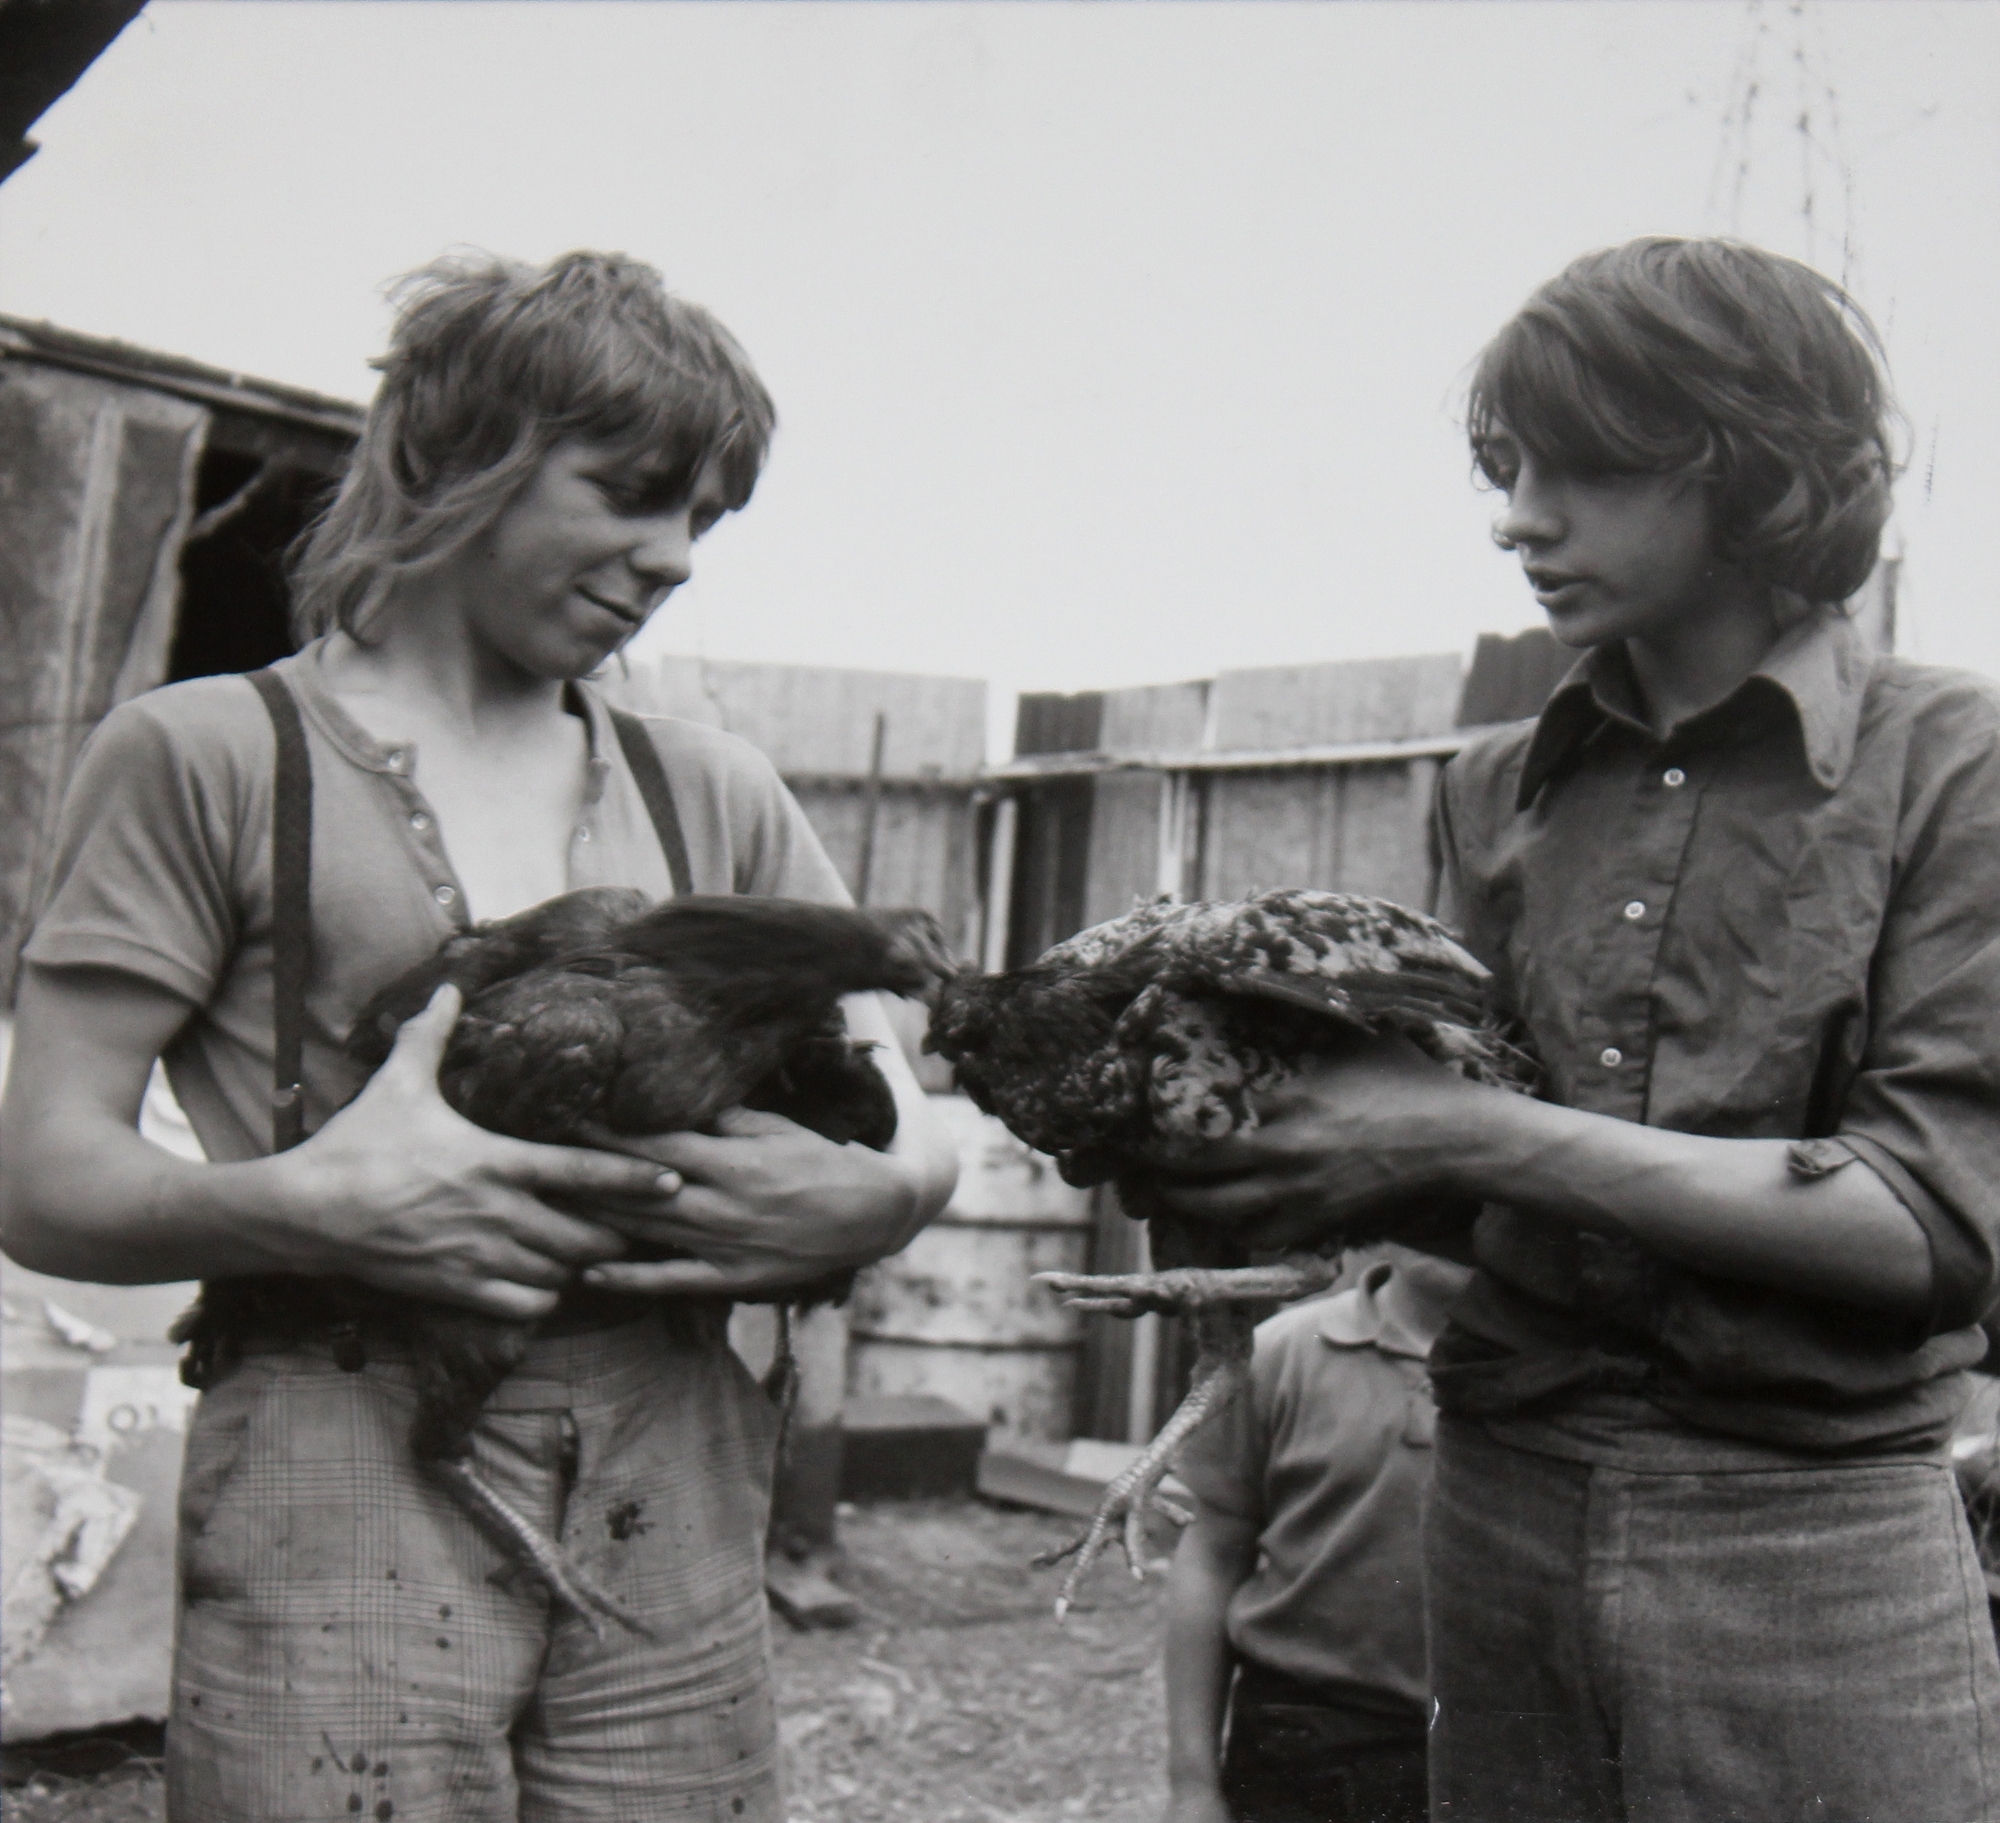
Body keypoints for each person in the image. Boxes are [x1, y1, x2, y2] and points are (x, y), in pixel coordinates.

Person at [0, 250, 958, 1823]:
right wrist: (307, 1202)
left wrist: (886, 1198)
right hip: (339, 1436)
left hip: (678, 1460)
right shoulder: (206, 753)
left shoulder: (707, 785)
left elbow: (915, 1119)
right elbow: (43, 1177)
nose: (673, 556)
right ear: (456, 458)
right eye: (633, 493)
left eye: (704, 519)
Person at [1152, 238, 2000, 1822]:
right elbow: (1463, 1179)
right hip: (1494, 1504)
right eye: (1508, 467)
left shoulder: (1952, 763)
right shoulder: (1495, 790)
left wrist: (1456, 1133)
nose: (1520, 516)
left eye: (1584, 468)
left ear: (1752, 468)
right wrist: (1265, 1144)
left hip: (1810, 1537)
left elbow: (1933, 1226)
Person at [1162, 1246, 1469, 1823]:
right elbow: (1211, 1554)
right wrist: (1191, 1787)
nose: (1451, 1226)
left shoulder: (1566, 1371)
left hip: (1501, 1741)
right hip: (1306, 1735)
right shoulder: (1283, 1352)